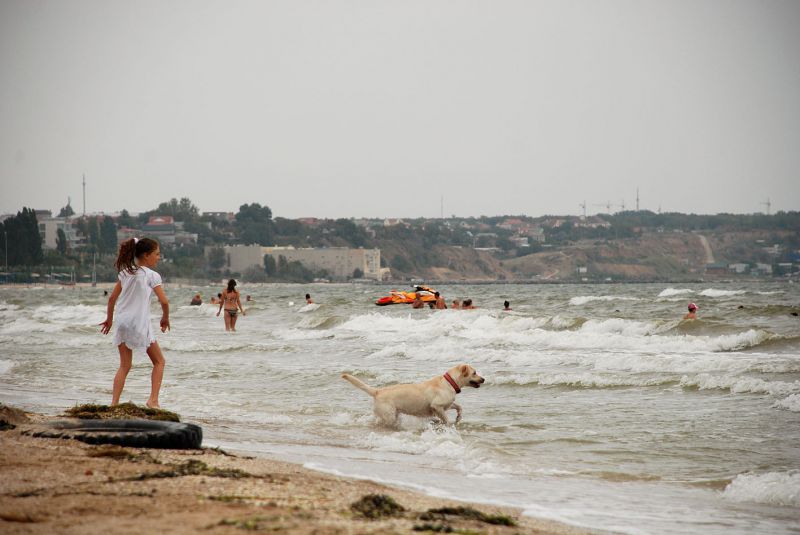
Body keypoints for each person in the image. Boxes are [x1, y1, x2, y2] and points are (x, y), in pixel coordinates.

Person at [99, 237, 169, 409]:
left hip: (122, 322)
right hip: (139, 323)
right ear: (146, 255)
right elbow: (165, 302)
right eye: (157, 254)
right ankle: (153, 400)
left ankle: (113, 403)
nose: (159, 257)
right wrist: (165, 317)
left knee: (124, 365)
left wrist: (109, 320)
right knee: (159, 362)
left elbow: (111, 300)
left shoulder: (125, 273)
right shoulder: (152, 275)